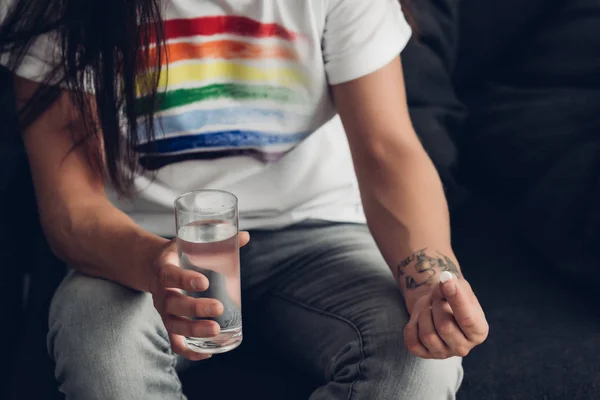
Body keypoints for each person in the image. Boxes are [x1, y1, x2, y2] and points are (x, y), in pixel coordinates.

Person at [0, 0, 488, 398]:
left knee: (421, 365)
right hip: (138, 243)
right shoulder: (55, 8)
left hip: (317, 235)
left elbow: (388, 150)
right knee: (103, 351)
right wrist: (154, 266)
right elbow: (71, 206)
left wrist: (431, 282)